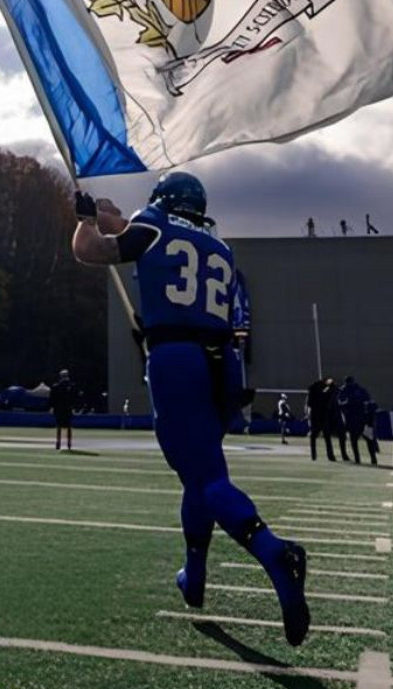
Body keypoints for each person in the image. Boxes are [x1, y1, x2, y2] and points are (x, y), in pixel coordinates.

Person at [72, 173, 311, 645]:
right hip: (220, 364)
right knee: (200, 472)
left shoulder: (154, 226)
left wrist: (84, 222)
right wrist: (105, 213)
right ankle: (195, 575)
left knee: (206, 479)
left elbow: (93, 250)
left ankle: (273, 551)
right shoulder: (218, 246)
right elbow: (135, 224)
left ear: (161, 201)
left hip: (176, 358)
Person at [51, 369, 79, 452]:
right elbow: (75, 398)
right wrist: (75, 407)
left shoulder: (56, 386)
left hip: (59, 409)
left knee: (59, 426)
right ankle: (69, 444)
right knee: (68, 426)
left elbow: (52, 399)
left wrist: (52, 407)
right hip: (68, 408)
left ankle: (58, 443)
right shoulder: (71, 386)